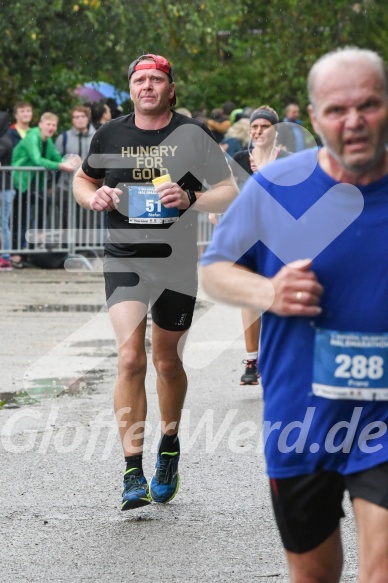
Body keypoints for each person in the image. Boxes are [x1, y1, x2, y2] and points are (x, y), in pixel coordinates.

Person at [201, 47, 388, 582]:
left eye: (369, 105)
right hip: (300, 420)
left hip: (383, 418)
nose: (353, 122)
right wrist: (269, 292)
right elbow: (214, 270)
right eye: (335, 110)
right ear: (311, 116)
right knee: (312, 576)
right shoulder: (273, 188)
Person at [73, 53, 237, 511]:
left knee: (166, 363)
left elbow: (229, 190)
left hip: (176, 263)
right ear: (130, 88)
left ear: (170, 87)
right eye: (140, 79)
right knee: (128, 359)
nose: (147, 85)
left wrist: (191, 196)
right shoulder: (111, 133)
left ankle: (169, 446)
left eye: (156, 79)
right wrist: (95, 196)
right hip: (125, 260)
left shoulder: (192, 133)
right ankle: (131, 470)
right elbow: (83, 182)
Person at [232, 106, 290, 385]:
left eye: (264, 127)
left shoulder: (288, 161)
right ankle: (252, 360)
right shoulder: (241, 159)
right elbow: (228, 191)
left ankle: (278, 356)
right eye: (254, 127)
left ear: (275, 131)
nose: (258, 131)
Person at [11, 112, 76, 261]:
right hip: (19, 182)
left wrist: (68, 163)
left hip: (34, 184)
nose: (51, 127)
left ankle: (29, 251)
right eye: (48, 124)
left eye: (54, 125)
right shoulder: (32, 136)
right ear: (40, 125)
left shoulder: (48, 140)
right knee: (18, 218)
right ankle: (15, 253)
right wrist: (60, 165)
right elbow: (37, 159)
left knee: (37, 212)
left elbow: (56, 157)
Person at [0, 112, 15, 271]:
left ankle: (5, 257)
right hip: (2, 188)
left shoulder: (5, 141)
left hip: (4, 188)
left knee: (3, 224)